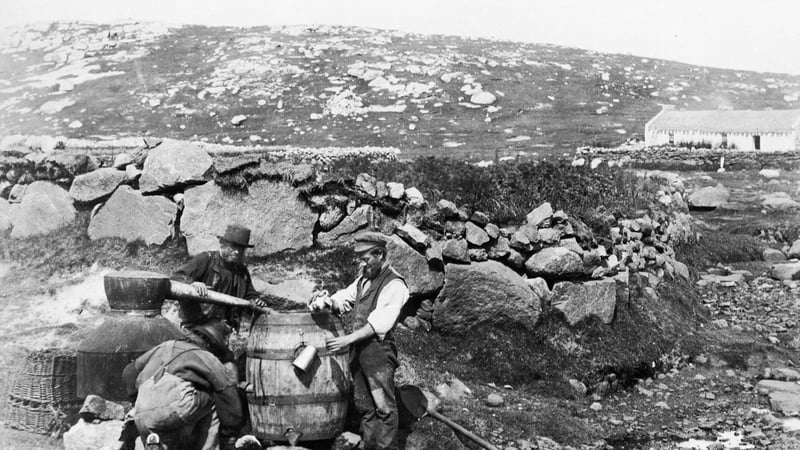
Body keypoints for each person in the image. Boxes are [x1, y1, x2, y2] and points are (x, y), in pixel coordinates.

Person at [310, 231, 410, 450]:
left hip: (378, 354)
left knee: (384, 408)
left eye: (366, 259)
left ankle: (384, 447)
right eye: (361, 259)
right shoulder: (364, 279)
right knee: (365, 406)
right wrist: (326, 302)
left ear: (381, 254)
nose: (363, 264)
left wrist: (347, 340)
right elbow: (344, 299)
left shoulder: (395, 285)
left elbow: (379, 323)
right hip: (359, 352)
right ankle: (368, 444)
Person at [122, 319, 246, 450]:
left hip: (142, 410)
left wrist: (136, 398)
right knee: (214, 399)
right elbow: (227, 395)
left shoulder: (166, 346)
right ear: (212, 344)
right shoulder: (207, 356)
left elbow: (128, 372)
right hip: (176, 409)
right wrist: (230, 431)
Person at [171, 224, 265, 332]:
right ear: (222, 243)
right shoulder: (206, 259)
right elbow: (176, 277)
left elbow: (250, 294)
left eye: (241, 248)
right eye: (233, 246)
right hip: (191, 326)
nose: (237, 251)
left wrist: (256, 301)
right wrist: (192, 284)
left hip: (221, 331)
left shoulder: (242, 271)